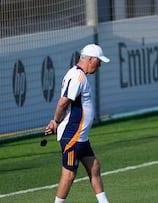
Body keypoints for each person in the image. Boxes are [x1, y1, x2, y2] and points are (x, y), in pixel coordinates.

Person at [45, 44, 110, 203]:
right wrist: (55, 121)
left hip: (80, 136)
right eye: (98, 61)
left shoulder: (77, 74)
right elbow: (63, 102)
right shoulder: (78, 77)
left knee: (94, 167)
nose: (99, 65)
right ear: (90, 59)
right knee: (69, 175)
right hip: (73, 134)